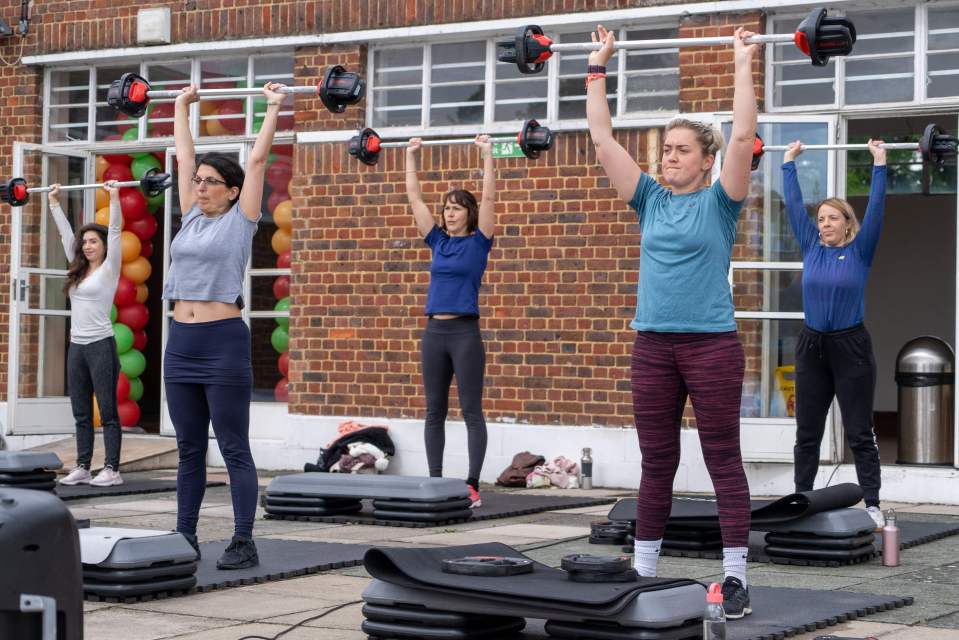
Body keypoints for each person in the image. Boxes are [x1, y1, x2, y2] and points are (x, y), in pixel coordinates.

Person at [585, 25, 758, 617]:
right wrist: (597, 68)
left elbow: (742, 137)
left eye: (682, 150)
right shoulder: (649, 200)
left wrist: (740, 63)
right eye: (666, 150)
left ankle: (735, 577)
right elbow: (603, 138)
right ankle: (643, 571)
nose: (669, 157)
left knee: (722, 458)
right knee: (657, 461)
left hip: (711, 346)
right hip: (653, 346)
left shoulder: (721, 201)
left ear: (706, 161)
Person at [163, 81, 285, 570]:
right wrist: (180, 107)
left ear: (232, 191)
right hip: (181, 343)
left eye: (212, 180)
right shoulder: (190, 216)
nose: (201, 184)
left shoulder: (242, 219)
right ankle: (185, 535)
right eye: (199, 180)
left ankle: (243, 539)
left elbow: (256, 162)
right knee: (189, 449)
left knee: (233, 446)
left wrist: (274, 108)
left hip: (222, 343)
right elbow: (182, 159)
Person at [782, 139, 887, 530]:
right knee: (807, 431)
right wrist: (789, 163)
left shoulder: (861, 250)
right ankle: (801, 499)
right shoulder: (811, 247)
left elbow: (876, 209)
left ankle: (873, 502)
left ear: (847, 222)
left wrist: (878, 163)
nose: (823, 224)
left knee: (860, 431)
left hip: (851, 346)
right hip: (812, 346)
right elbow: (794, 205)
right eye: (821, 218)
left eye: (831, 218)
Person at [405, 134, 495, 508]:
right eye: (446, 208)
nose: (449, 213)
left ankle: (473, 485)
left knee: (471, 410)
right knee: (433, 411)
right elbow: (414, 197)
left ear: (469, 213)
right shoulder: (437, 241)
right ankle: (436, 481)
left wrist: (487, 155)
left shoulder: (479, 242)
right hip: (434, 333)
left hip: (464, 333)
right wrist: (411, 156)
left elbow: (490, 198)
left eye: (457, 208)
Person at [52, 181, 124, 487]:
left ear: (105, 245)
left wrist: (115, 196)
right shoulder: (79, 270)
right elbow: (66, 235)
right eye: (85, 242)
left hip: (101, 346)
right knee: (81, 412)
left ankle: (112, 469)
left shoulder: (109, 269)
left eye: (94, 241)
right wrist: (55, 202)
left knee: (107, 411)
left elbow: (118, 229)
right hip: (77, 348)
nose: (87, 246)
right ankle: (82, 465)